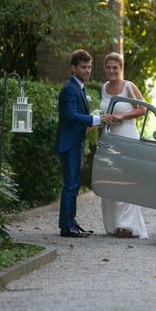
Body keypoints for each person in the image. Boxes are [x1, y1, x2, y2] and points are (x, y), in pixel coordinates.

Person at [55, 49, 115, 238]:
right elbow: (70, 116)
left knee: (74, 184)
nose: (87, 71)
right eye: (83, 67)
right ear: (74, 69)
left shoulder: (79, 87)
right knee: (71, 185)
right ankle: (66, 227)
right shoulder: (69, 89)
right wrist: (96, 119)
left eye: (89, 67)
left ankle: (72, 222)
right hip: (69, 144)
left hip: (75, 141)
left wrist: (89, 123)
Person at [99, 52, 150, 239]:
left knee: (127, 180)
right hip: (110, 139)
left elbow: (143, 108)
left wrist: (122, 116)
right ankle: (114, 225)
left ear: (121, 69)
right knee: (110, 180)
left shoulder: (128, 86)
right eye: (109, 67)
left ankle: (128, 225)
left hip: (128, 136)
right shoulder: (104, 88)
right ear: (105, 69)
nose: (112, 71)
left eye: (115, 67)